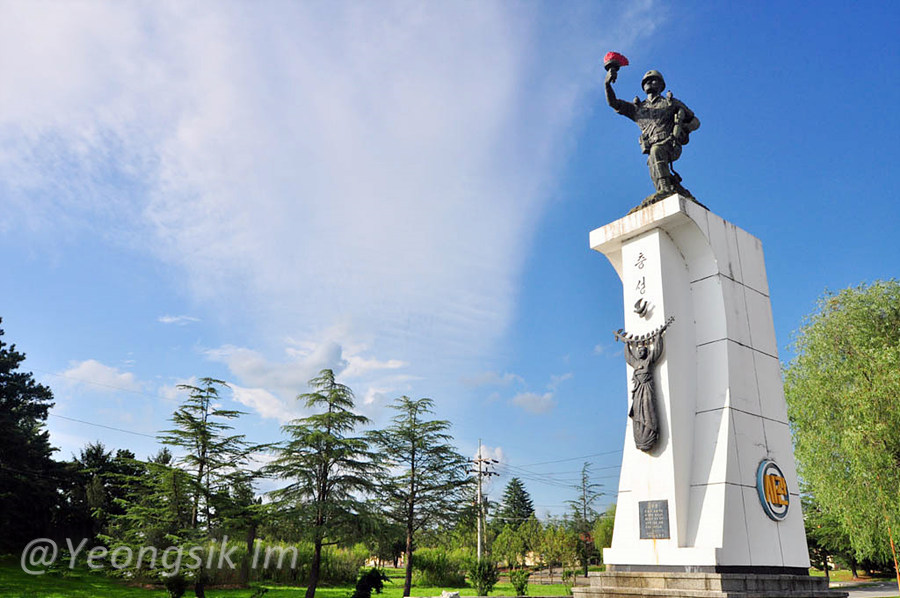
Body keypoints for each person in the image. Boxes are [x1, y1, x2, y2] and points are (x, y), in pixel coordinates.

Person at [605, 68, 700, 202]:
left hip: (671, 143)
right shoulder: (638, 108)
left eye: (653, 80)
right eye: (646, 81)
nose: (649, 82)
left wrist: (683, 130)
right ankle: (669, 189)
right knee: (652, 163)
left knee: (656, 151)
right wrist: (607, 84)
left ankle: (666, 190)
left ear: (661, 85)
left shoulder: (671, 103)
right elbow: (613, 103)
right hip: (653, 146)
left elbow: (695, 121)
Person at [624, 338, 664, 452]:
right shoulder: (636, 363)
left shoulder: (648, 362)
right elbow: (628, 357)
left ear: (647, 352)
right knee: (637, 412)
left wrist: (658, 338)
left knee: (648, 409)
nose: (641, 352)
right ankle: (640, 438)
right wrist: (627, 344)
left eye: (643, 351)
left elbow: (656, 351)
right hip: (637, 392)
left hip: (647, 389)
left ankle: (650, 435)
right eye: (639, 351)